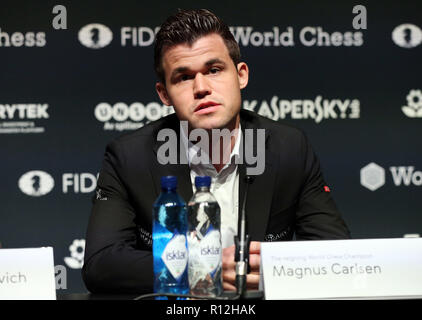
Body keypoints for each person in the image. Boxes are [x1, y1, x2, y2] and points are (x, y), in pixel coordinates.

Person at [82, 9, 350, 294]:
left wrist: (275, 267)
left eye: (213, 70)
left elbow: (335, 253)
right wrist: (200, 266)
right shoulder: (130, 157)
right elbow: (101, 264)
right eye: (183, 77)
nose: (201, 88)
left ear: (241, 75)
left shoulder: (289, 148)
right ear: (164, 94)